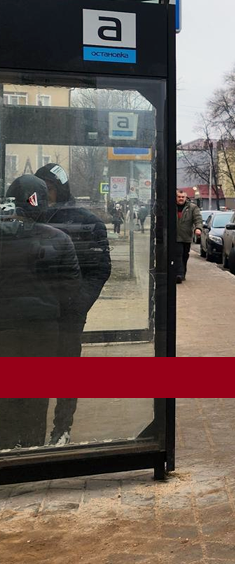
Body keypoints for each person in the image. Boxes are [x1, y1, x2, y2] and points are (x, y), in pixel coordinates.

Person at [0, 175, 80, 450]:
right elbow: (71, 291)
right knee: (36, 393)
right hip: (44, 330)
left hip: (5, 328)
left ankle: (7, 448)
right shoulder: (59, 239)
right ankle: (33, 450)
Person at [35, 163, 113, 446]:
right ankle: (32, 430)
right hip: (34, 313)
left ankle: (62, 427)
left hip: (68, 312)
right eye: (40, 190)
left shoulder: (85, 221)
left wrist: (78, 304)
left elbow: (100, 268)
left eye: (50, 189)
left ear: (60, 188)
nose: (45, 195)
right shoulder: (30, 218)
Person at [175, 189, 203, 284]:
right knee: (178, 254)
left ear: (186, 198)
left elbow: (198, 219)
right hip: (175, 236)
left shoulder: (192, 208)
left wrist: (198, 228)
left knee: (184, 256)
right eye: (179, 197)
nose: (181, 199)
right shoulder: (171, 206)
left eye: (182, 197)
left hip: (186, 236)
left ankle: (182, 273)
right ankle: (178, 274)